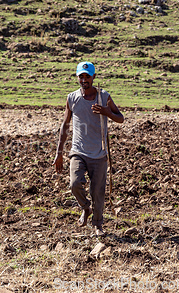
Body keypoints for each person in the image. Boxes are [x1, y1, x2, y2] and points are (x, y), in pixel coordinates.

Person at [53, 62, 124, 236]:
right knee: (75, 183)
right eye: (81, 76)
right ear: (77, 77)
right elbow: (65, 125)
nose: (84, 80)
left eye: (87, 76)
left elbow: (120, 118)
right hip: (78, 151)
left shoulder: (103, 96)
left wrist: (107, 112)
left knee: (98, 192)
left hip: (99, 153)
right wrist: (59, 153)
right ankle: (85, 207)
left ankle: (98, 225)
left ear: (93, 77)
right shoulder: (72, 98)